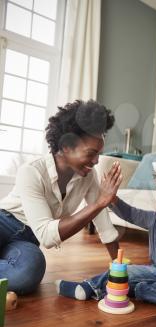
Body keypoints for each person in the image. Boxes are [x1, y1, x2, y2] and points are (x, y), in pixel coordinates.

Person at [56, 157, 156, 310]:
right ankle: (88, 287)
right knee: (124, 271)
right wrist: (113, 199)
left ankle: (139, 290)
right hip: (155, 271)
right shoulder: (155, 219)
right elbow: (130, 213)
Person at [0, 100, 123, 295]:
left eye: (99, 154)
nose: (96, 161)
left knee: (29, 271)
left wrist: (120, 267)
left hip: (27, 239)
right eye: (91, 153)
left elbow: (104, 225)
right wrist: (100, 202)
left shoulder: (88, 176)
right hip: (4, 222)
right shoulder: (32, 172)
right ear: (66, 146)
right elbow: (48, 236)